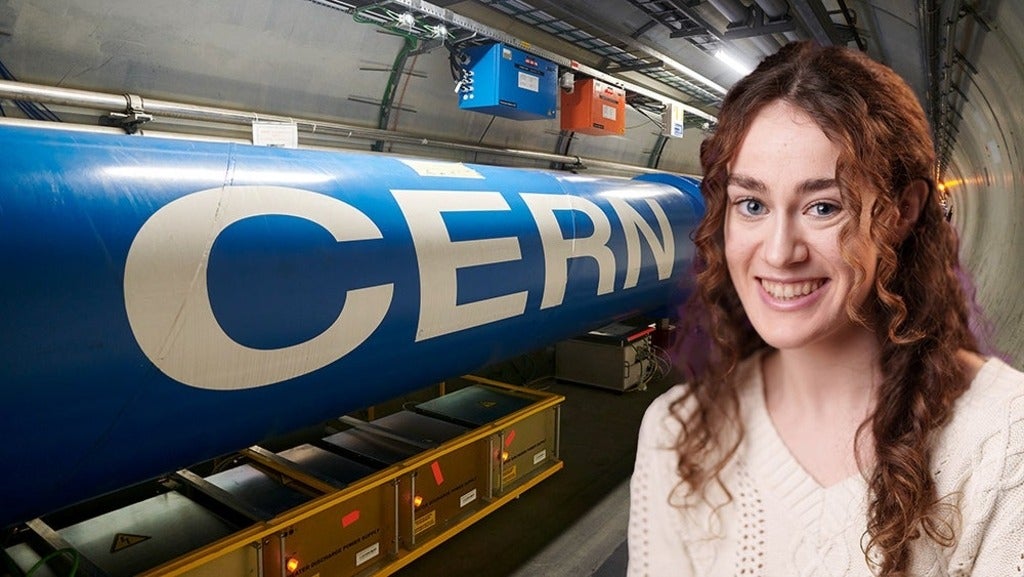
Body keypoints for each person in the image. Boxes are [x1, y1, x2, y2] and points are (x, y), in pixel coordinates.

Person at [628, 41, 1024, 576]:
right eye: (752, 204)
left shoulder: (1001, 447)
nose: (778, 252)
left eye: (823, 206)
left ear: (902, 211)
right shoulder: (675, 435)